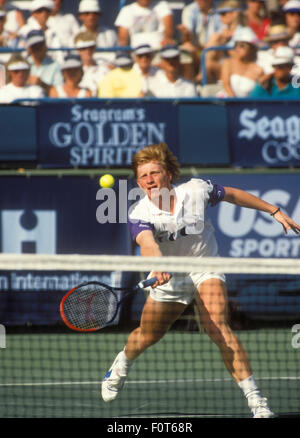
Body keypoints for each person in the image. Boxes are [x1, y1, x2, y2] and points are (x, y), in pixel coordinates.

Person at [101, 142, 300, 417]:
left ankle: (258, 404)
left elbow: (233, 195)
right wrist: (158, 266)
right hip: (168, 276)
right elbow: (147, 243)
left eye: (154, 173)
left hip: (205, 266)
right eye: (143, 176)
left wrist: (273, 210)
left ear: (169, 174)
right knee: (148, 335)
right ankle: (121, 362)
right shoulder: (139, 212)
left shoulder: (196, 190)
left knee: (218, 326)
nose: (149, 180)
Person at [204, 0, 247, 83]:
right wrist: (221, 41)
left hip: (240, 69)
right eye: (219, 14)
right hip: (226, 67)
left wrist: (224, 45)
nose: (220, 17)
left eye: (223, 14)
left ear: (235, 13)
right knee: (215, 38)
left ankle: (200, 77)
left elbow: (243, 58)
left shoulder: (244, 32)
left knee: (208, 64)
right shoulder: (222, 32)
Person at [218, 26, 264, 97]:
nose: (237, 48)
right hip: (226, 104)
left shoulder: (258, 70)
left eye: (242, 46)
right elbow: (226, 85)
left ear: (251, 48)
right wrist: (235, 103)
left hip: (247, 106)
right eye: (236, 45)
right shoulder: (227, 63)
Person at [76, 0, 117, 67]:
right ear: (80, 16)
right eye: (87, 13)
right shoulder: (75, 35)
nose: (91, 17)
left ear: (99, 15)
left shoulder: (110, 34)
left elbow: (116, 56)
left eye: (95, 13)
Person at [25, 29, 63, 95]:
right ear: (29, 48)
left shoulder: (56, 65)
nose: (37, 48)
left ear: (45, 45)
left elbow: (59, 92)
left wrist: (42, 84)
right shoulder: (23, 64)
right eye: (34, 46)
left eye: (40, 44)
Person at [75, 31, 110, 96]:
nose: (87, 51)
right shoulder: (71, 71)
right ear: (77, 50)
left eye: (91, 48)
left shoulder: (104, 70)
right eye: (83, 48)